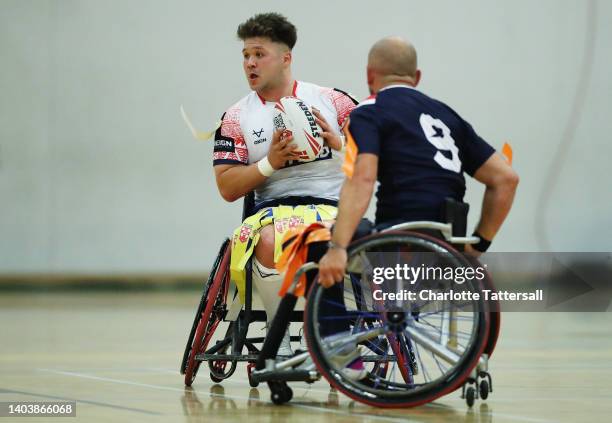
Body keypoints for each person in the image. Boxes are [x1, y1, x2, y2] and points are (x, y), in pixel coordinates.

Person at [317, 36, 519, 287]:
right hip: (449, 236)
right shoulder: (447, 114)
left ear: (370, 75)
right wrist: (478, 244)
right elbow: (506, 179)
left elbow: (363, 179)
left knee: (317, 245)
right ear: (417, 77)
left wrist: (337, 247)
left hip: (400, 232)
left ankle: (328, 327)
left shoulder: (369, 112)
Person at [212, 13, 357, 355]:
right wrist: (269, 163)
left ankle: (334, 337)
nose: (250, 63)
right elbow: (227, 188)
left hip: (332, 206)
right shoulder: (235, 117)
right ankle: (281, 346)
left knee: (336, 237)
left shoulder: (334, 101)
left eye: (259, 54)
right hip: (273, 210)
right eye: (246, 55)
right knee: (267, 240)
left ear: (286, 58)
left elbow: (374, 162)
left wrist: (338, 143)